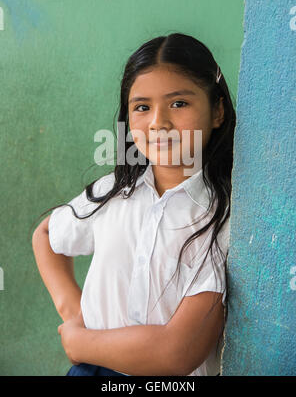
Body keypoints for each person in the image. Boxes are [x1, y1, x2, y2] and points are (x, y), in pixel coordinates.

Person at [32, 32, 236, 376]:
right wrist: (73, 313)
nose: (158, 122)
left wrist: (79, 343)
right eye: (142, 107)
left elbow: (177, 352)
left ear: (217, 111)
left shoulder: (223, 217)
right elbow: (47, 234)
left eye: (179, 103)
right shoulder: (114, 192)